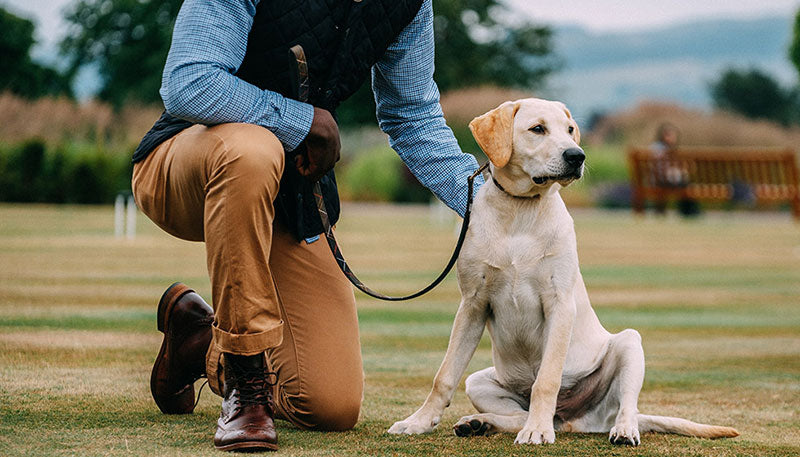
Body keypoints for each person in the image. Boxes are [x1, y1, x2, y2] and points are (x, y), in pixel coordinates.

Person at [131, 0, 483, 452]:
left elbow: (411, 115)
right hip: (184, 164)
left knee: (329, 404)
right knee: (251, 150)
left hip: (289, 191)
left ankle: (197, 339)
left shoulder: (409, 5)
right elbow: (190, 83)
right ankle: (246, 384)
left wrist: (484, 204)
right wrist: (301, 121)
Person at [648, 123, 699, 217]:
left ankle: (687, 210)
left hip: (658, 180)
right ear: (664, 136)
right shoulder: (662, 149)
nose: (673, 138)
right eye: (670, 135)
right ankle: (688, 211)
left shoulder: (656, 147)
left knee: (684, 183)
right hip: (662, 180)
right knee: (685, 184)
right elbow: (661, 169)